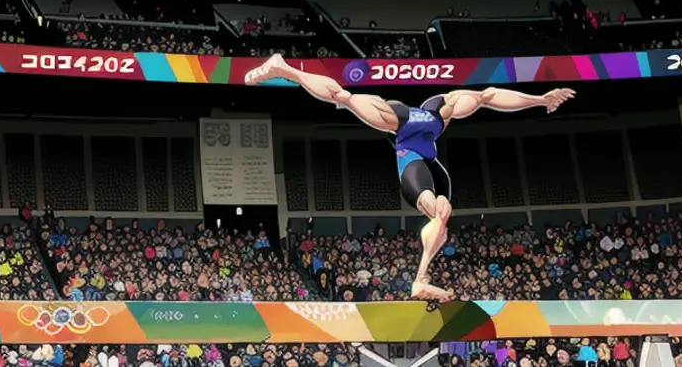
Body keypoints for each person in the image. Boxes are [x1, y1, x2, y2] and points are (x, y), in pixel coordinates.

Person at [244, 54, 576, 303]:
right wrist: (540, 99)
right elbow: (489, 97)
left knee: (441, 216)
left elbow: (490, 96)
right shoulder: (427, 115)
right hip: (413, 158)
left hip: (425, 160)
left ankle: (421, 279)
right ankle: (283, 67)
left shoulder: (439, 111)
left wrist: (542, 99)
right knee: (343, 98)